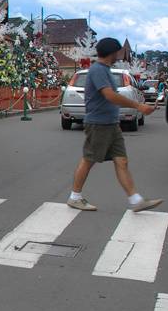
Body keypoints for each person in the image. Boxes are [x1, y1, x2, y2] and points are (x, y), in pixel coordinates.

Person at [67, 37, 161, 213]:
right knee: (89, 160)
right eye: (118, 51)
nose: (120, 55)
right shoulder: (98, 70)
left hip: (111, 124)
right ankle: (75, 197)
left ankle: (136, 200)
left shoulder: (107, 70)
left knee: (121, 161)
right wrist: (138, 105)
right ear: (111, 52)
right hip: (98, 124)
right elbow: (109, 95)